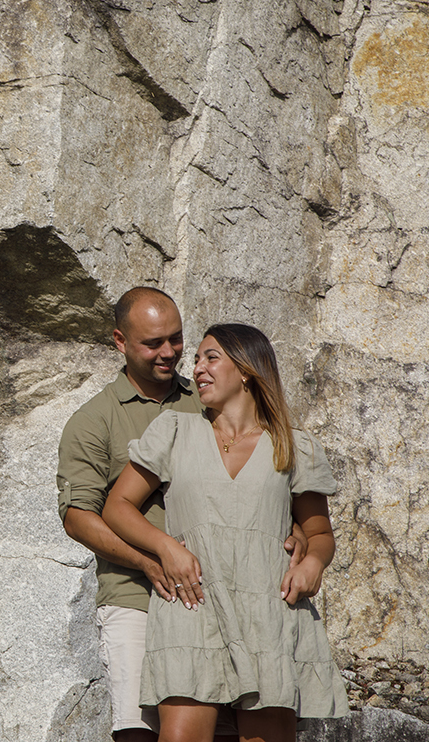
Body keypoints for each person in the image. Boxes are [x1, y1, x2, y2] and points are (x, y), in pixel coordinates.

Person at [58, 287, 286, 742]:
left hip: (218, 596)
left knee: (226, 730)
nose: (169, 352)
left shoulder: (207, 399)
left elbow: (261, 472)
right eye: (152, 343)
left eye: (176, 339)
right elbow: (78, 517)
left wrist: (297, 531)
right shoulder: (94, 420)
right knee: (141, 733)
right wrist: (150, 560)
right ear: (120, 341)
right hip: (137, 596)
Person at [102, 324, 349, 742]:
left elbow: (319, 531)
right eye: (197, 359)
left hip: (267, 608)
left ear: (247, 370)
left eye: (211, 358)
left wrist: (312, 564)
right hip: (191, 602)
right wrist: (166, 547)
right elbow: (117, 506)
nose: (197, 368)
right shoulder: (174, 431)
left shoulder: (294, 446)